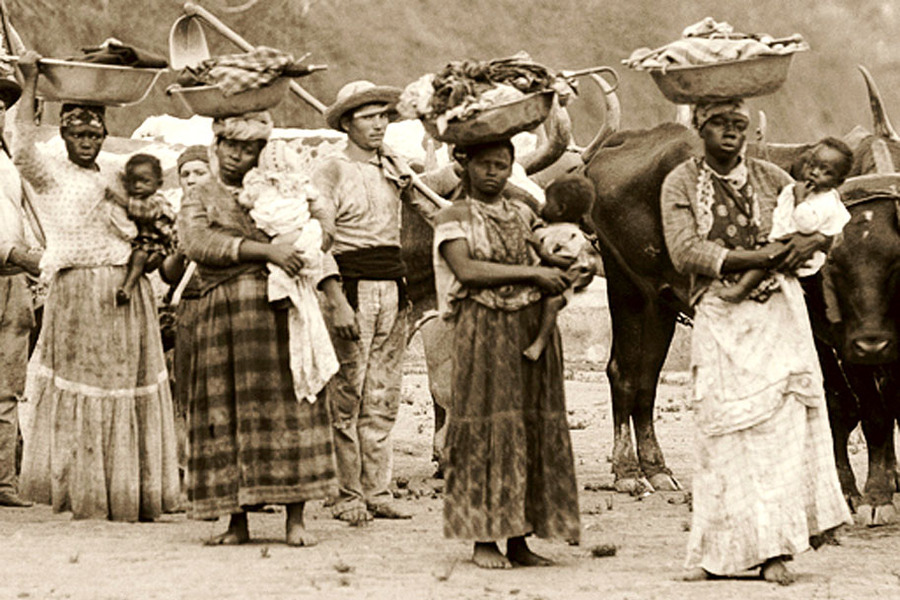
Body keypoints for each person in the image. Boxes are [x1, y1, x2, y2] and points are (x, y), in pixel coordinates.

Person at [659, 99, 851, 585]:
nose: (730, 133)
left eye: (739, 125)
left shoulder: (771, 178)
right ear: (699, 126)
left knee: (778, 434)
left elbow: (820, 222)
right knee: (721, 435)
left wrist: (818, 244)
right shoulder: (680, 182)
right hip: (721, 314)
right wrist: (762, 255)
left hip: (778, 315)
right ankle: (715, 554)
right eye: (720, 124)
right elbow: (685, 251)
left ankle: (775, 551)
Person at [14, 50, 179, 521]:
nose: (87, 141)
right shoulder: (48, 173)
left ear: (105, 136)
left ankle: (130, 492)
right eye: (78, 133)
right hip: (76, 294)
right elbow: (22, 145)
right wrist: (29, 85)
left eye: (95, 134)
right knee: (84, 390)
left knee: (125, 387)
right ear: (63, 133)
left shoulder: (115, 171)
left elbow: (150, 213)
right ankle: (86, 491)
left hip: (126, 294)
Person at [178, 110, 337, 546]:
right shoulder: (201, 194)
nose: (239, 156)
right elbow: (197, 243)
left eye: (250, 148)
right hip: (225, 312)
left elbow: (325, 228)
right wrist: (265, 250)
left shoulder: (282, 184)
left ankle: (296, 518)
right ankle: (235, 520)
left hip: (281, 310)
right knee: (226, 411)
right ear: (217, 143)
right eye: (232, 146)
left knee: (290, 406)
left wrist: (306, 238)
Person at [434, 138, 580, 569]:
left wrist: (567, 265)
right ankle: (483, 539)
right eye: (484, 164)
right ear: (465, 166)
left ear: (512, 167)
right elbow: (468, 270)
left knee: (528, 425)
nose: (493, 173)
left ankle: (519, 539)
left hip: (531, 327)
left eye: (501, 165)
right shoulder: (452, 216)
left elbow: (548, 253)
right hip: (484, 329)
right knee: (486, 424)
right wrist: (535, 273)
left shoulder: (522, 213)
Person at [313, 80, 440, 525]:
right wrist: (335, 300)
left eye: (383, 116)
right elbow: (319, 239)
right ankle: (345, 494)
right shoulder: (329, 170)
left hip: (394, 288)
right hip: (351, 286)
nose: (378, 125)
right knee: (347, 394)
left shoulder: (394, 168)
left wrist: (408, 184)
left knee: (383, 395)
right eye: (368, 117)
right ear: (347, 123)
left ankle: (378, 491)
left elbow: (434, 215)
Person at [237, 138, 338, 402]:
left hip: (290, 232)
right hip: (280, 235)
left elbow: (322, 216)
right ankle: (283, 291)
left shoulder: (286, 185)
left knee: (302, 247)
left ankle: (283, 289)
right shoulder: (269, 185)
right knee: (288, 255)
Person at [717, 137, 852, 303]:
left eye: (826, 171)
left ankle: (742, 289)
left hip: (795, 250)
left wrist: (800, 201)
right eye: (811, 165)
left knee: (766, 256)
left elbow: (808, 225)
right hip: (780, 240)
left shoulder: (823, 199)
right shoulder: (797, 187)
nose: (814, 172)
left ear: (838, 182)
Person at [159, 145, 212, 495]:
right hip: (190, 308)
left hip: (224, 305)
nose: (192, 180)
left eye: (199, 172)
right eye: (186, 174)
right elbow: (167, 274)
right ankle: (188, 475)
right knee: (188, 394)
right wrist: (182, 247)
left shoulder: (228, 209)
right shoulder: (175, 217)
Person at [0, 67, 39, 508]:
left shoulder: (9, 163)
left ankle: (4, 482)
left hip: (12, 286)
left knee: (6, 390)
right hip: (11, 264)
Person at [522, 174, 597, 360]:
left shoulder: (571, 235)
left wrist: (544, 253)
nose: (541, 206)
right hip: (542, 279)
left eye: (547, 202)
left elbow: (567, 261)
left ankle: (539, 343)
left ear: (561, 209)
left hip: (561, 286)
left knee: (552, 303)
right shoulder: (548, 228)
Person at [107, 153, 176, 305]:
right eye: (133, 182)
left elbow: (144, 211)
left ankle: (127, 289)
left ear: (158, 183)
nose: (138, 186)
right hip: (143, 241)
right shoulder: (138, 198)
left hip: (156, 244)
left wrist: (116, 197)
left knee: (139, 256)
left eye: (145, 181)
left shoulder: (156, 201)